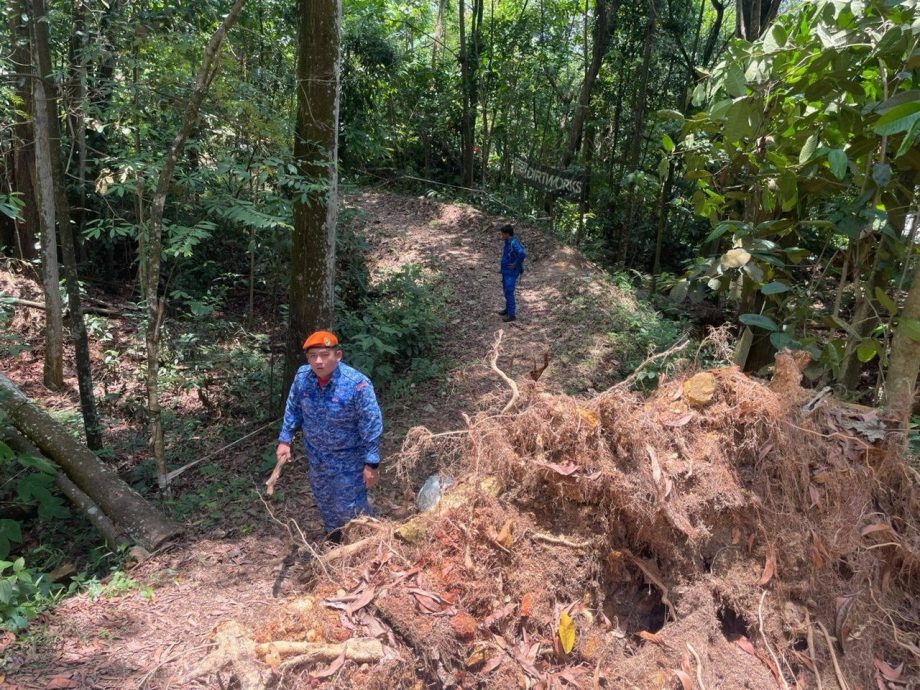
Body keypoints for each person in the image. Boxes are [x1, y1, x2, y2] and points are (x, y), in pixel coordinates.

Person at [267, 330, 383, 542]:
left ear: (337, 355)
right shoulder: (303, 377)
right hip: (317, 457)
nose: (318, 361)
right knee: (325, 500)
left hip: (348, 459)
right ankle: (335, 540)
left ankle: (369, 543)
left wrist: (371, 463)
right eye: (313, 356)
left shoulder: (357, 384)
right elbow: (293, 407)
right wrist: (285, 439)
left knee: (351, 506)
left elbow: (371, 423)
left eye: (324, 355)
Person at [498, 223, 527, 322]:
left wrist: (515, 264)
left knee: (509, 292)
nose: (501, 236)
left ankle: (511, 315)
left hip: (511, 272)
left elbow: (522, 253)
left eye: (502, 234)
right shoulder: (508, 242)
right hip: (506, 271)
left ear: (507, 234)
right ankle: (507, 309)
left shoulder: (513, 243)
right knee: (506, 291)